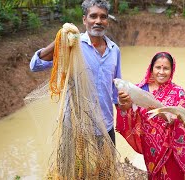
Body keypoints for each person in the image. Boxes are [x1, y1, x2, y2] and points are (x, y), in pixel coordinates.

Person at [29, 0, 121, 145]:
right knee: (76, 168)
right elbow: (35, 65)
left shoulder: (114, 49)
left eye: (103, 17)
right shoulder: (71, 46)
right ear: (84, 20)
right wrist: (60, 40)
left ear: (107, 21)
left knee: (107, 167)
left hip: (105, 125)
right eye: (93, 16)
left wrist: (124, 113)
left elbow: (116, 88)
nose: (98, 21)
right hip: (75, 125)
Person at [116, 52, 185, 180]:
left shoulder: (178, 92)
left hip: (172, 149)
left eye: (166, 68)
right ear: (151, 68)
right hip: (150, 146)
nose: (161, 72)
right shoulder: (138, 89)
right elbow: (127, 112)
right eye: (158, 67)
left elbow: (181, 119)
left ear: (172, 70)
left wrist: (161, 112)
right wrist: (123, 102)